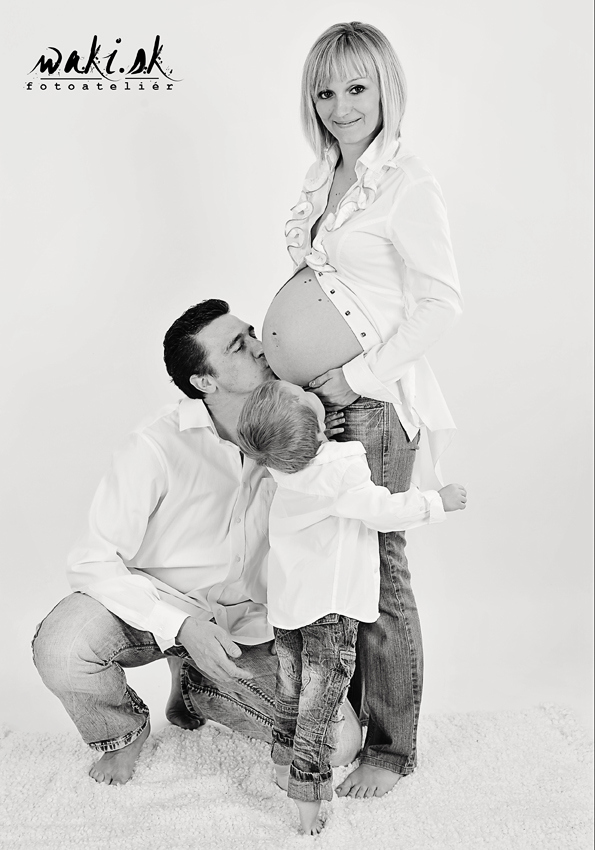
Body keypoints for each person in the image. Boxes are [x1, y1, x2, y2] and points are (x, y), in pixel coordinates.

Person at [32, 299, 360, 787]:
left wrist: (317, 447)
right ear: (205, 382)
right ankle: (122, 733)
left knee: (336, 745)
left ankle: (193, 686)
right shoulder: (155, 444)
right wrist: (182, 627)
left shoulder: (299, 425)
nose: (261, 347)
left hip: (247, 626)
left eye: (253, 333)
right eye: (238, 346)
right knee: (63, 649)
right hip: (154, 608)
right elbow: (92, 561)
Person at [261, 22, 463, 798]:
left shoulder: (406, 183)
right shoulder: (325, 179)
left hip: (374, 408)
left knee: (379, 577)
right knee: (333, 574)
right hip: (319, 407)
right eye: (325, 91)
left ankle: (390, 748)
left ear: (385, 90)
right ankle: (339, 725)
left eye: (356, 87)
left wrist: (360, 375)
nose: (341, 106)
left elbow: (441, 303)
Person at [236, 379, 467, 833]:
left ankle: (282, 762)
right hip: (329, 612)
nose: (304, 388)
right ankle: (307, 801)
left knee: (290, 693)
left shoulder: (280, 467)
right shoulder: (341, 466)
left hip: (288, 608)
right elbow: (381, 511)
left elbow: (304, 447)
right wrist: (436, 503)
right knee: (318, 710)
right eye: (301, 397)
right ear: (315, 427)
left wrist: (316, 427)